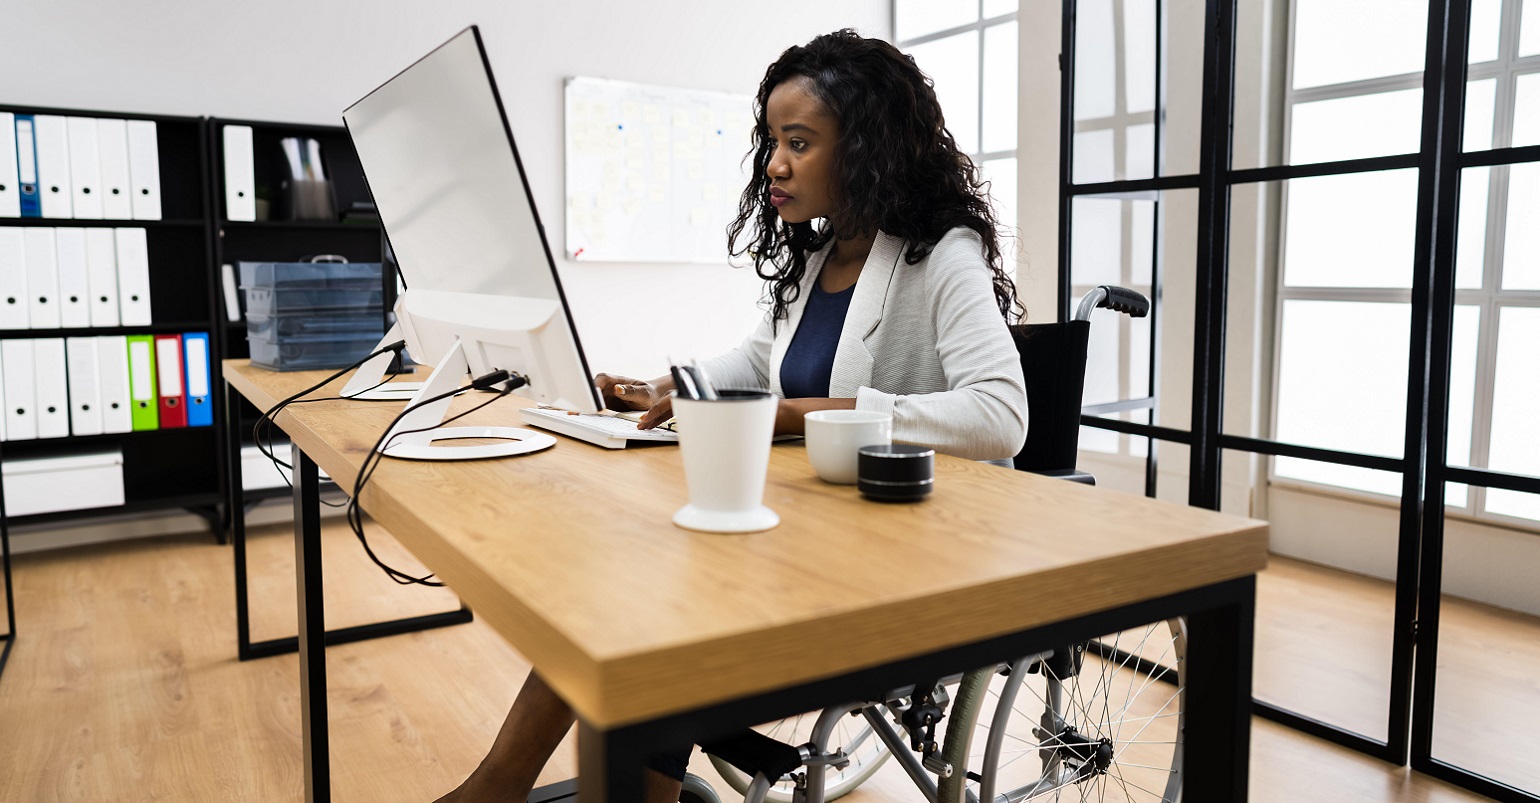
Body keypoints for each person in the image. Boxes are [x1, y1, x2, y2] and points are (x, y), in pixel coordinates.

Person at [435, 28, 1026, 803]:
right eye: (773, 141)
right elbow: (755, 364)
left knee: (662, 605)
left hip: (906, 560)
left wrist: (803, 415)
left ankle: (509, 790)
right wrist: (668, 385)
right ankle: (511, 786)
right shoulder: (818, 259)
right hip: (814, 530)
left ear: (867, 148)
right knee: (630, 587)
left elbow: (999, 414)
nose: (775, 163)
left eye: (800, 142)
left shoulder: (939, 254)